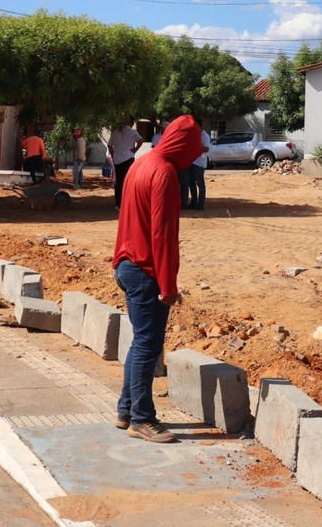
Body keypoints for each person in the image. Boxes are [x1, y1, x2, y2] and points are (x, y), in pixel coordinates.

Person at [112, 115, 204, 443]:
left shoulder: (141, 162)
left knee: (141, 343)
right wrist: (168, 285)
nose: (195, 156)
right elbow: (161, 234)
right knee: (148, 346)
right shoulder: (164, 173)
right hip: (145, 270)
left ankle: (126, 410)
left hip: (126, 263)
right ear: (183, 146)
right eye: (194, 149)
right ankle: (142, 418)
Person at [107, 118, 143, 210]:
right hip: (129, 158)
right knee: (129, 181)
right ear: (131, 123)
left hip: (118, 159)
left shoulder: (115, 132)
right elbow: (140, 140)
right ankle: (129, 202)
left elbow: (109, 145)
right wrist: (135, 149)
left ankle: (118, 203)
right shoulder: (132, 132)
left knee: (118, 182)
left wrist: (113, 154)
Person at [186, 117, 210, 210]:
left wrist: (195, 146)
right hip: (191, 162)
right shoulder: (193, 135)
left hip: (199, 163)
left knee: (200, 184)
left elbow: (206, 148)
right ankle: (193, 202)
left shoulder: (205, 136)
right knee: (191, 183)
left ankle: (201, 204)